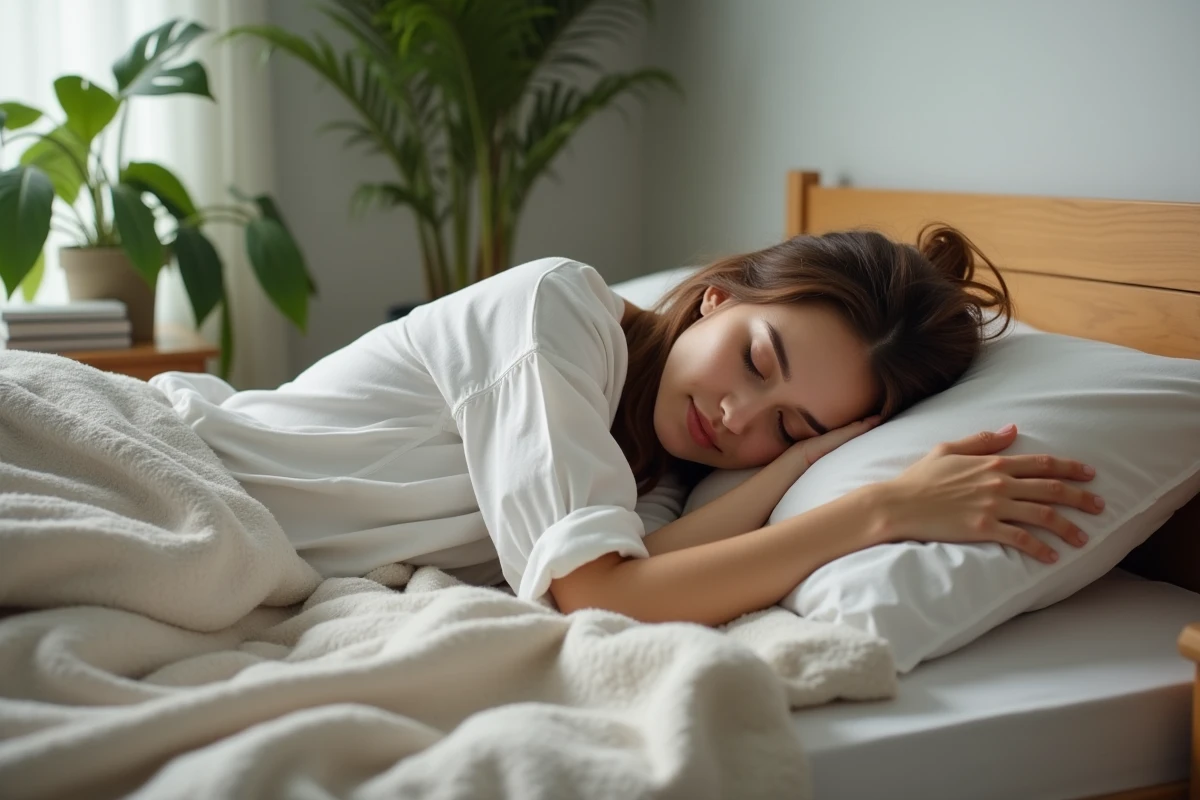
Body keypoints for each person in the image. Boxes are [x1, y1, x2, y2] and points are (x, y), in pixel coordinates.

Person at [152, 224, 1103, 626]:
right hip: (173, 470)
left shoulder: (653, 465)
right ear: (715, 299)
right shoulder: (557, 314)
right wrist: (879, 511)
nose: (737, 418)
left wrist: (798, 471)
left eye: (791, 424)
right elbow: (603, 599)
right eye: (756, 361)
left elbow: (654, 568)